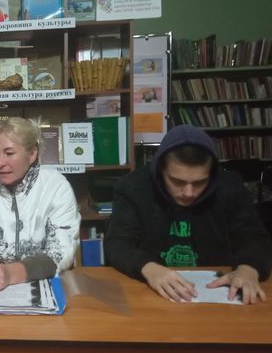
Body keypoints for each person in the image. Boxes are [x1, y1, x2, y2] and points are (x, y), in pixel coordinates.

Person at [104, 125, 272, 304]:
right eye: (177, 182)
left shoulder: (230, 187)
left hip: (216, 293)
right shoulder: (133, 187)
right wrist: (148, 268)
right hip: (151, 293)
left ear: (212, 174)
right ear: (160, 170)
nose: (189, 193)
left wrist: (248, 269)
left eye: (200, 182)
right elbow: (117, 243)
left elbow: (253, 238)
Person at [0, 117, 81, 291]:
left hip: (45, 285)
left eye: (9, 153)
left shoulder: (56, 187)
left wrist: (12, 273)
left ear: (32, 154)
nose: (0, 163)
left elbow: (62, 252)